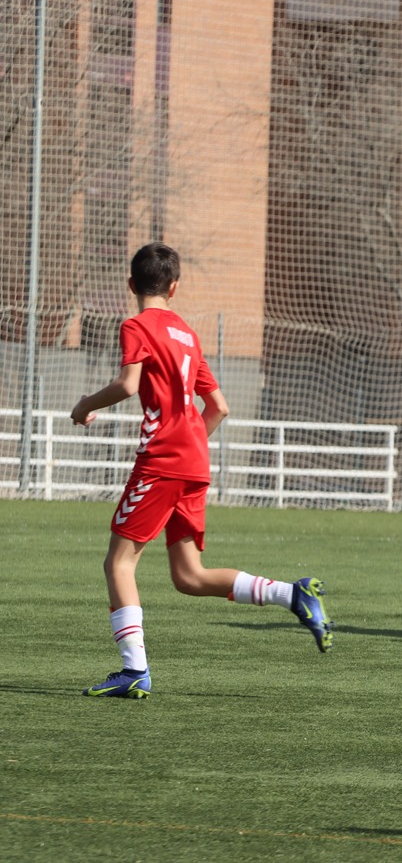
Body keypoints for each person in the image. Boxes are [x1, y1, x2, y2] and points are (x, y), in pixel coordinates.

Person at [73, 244, 332, 700]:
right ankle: (293, 595)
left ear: (131, 284)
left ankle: (134, 670)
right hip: (194, 462)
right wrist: (190, 445)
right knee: (189, 576)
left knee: (119, 562)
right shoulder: (188, 335)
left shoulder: (136, 325)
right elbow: (219, 407)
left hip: (162, 461)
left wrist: (84, 405)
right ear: (174, 287)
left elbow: (129, 384)